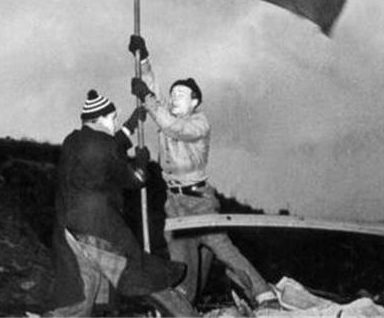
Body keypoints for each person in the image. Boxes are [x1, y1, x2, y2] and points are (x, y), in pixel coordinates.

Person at [128, 35, 280, 309]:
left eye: (181, 95)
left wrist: (149, 99)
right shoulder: (167, 116)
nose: (174, 98)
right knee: (181, 265)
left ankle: (263, 293)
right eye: (172, 94)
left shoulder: (199, 123)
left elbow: (172, 125)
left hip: (199, 201)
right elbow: (152, 91)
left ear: (194, 102)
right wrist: (144, 59)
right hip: (174, 203)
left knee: (220, 245)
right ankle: (183, 307)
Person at [49, 89, 196, 316]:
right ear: (99, 120)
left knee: (84, 289)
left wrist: (132, 123)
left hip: (70, 229)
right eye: (112, 118)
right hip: (96, 228)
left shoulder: (73, 141)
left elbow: (110, 143)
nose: (114, 122)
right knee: (138, 273)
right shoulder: (104, 146)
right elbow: (135, 180)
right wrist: (141, 162)